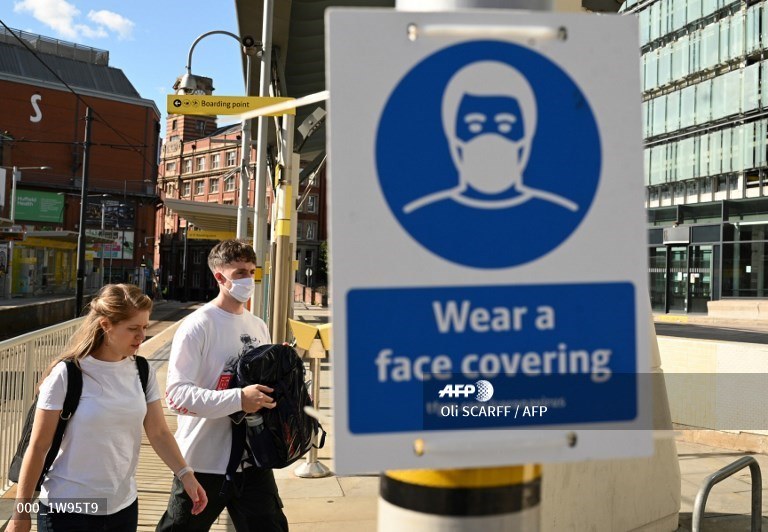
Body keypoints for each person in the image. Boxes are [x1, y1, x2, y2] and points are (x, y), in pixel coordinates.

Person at [9, 284, 207, 532]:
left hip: (122, 508)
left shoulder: (142, 371)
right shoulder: (67, 374)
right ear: (105, 325)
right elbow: (38, 447)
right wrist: (20, 513)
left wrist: (186, 474)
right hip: (67, 509)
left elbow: (159, 433)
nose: (141, 336)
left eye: (145, 327)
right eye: (133, 329)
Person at [156, 239, 288, 532]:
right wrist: (238, 399)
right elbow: (176, 396)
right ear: (219, 277)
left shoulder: (258, 325)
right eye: (240, 272)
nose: (248, 279)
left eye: (251, 271)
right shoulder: (197, 325)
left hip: (254, 461)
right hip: (203, 463)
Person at [403, 60, 578, 214]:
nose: (490, 138)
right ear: (452, 134)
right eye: (474, 126)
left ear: (527, 133)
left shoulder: (559, 214)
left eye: (505, 125)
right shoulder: (422, 215)